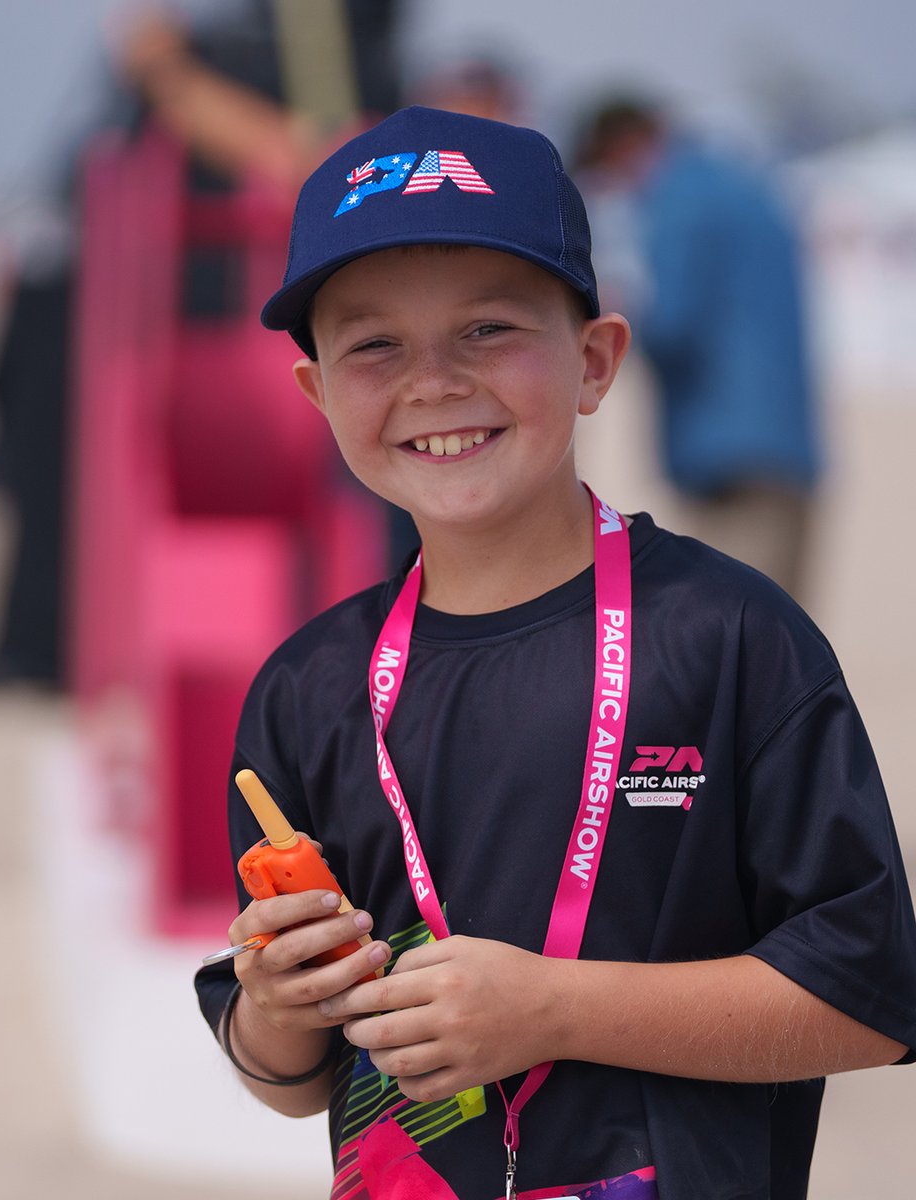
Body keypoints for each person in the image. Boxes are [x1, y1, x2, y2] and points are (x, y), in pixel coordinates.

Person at [193, 106, 916, 1200]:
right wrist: (281, 1006)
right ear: (319, 394)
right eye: (374, 343)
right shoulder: (306, 692)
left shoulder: (731, 638)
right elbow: (291, 1079)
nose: (434, 381)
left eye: (489, 328)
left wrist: (555, 1011)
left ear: (595, 360)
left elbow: (871, 999)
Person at [573, 99, 821, 601]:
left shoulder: (678, 197)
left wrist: (606, 320)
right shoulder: (745, 184)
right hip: (786, 436)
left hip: (723, 447)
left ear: (621, 148)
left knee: (735, 634)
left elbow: (672, 323)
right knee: (786, 634)